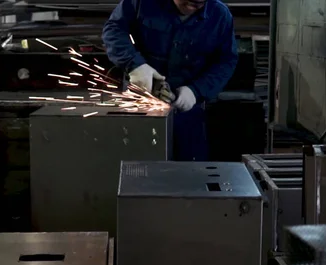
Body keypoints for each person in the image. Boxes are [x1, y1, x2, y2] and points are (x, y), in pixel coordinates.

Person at [102, 0, 238, 161]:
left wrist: (196, 90)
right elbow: (114, 30)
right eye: (186, 2)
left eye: (198, 4)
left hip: (188, 108)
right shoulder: (140, 3)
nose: (191, 6)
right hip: (139, 103)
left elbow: (225, 61)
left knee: (189, 169)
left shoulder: (219, 15)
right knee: (136, 164)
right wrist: (135, 65)